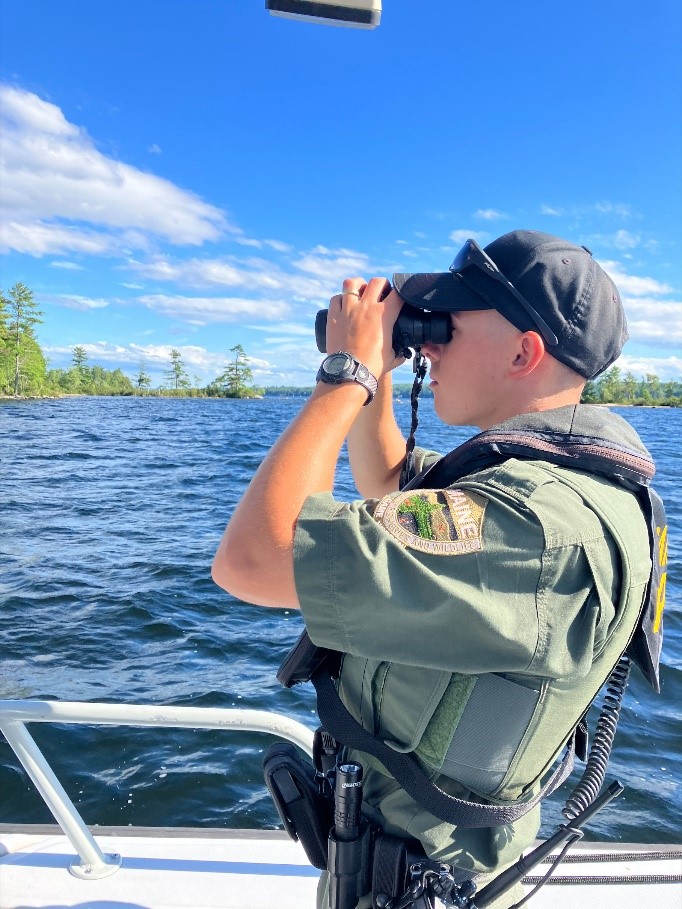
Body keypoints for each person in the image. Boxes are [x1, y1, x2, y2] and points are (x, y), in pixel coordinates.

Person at [211, 230, 656, 909]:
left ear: (523, 351)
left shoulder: (536, 528)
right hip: (418, 870)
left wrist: (345, 375)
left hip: (417, 884)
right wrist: (379, 371)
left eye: (448, 323)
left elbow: (250, 560)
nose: (431, 343)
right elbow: (389, 484)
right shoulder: (552, 487)